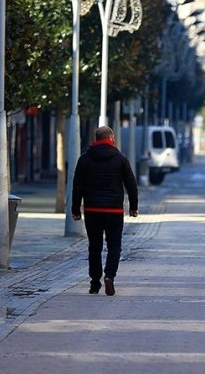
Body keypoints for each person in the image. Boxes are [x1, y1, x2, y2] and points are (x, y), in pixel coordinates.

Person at [72, 126, 138, 296]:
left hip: (92, 210)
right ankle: (109, 277)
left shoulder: (85, 159)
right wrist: (133, 207)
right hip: (114, 211)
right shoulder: (120, 158)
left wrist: (75, 209)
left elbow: (77, 186)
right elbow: (131, 184)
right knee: (114, 246)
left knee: (94, 247)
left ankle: (95, 283)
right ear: (110, 138)